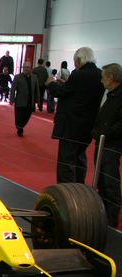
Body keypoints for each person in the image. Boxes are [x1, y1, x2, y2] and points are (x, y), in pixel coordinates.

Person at [47, 46, 104, 184]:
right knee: (80, 157)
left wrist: (51, 84)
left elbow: (61, 92)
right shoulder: (100, 74)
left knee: (66, 160)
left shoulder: (78, 75)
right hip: (88, 124)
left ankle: (66, 190)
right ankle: (79, 187)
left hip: (71, 124)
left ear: (79, 60)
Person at [91, 63, 122, 227]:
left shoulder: (118, 96)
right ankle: (104, 213)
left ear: (111, 78)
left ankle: (112, 217)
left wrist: (105, 133)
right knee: (101, 179)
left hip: (111, 144)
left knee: (109, 181)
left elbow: (119, 125)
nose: (101, 81)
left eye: (103, 78)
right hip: (103, 142)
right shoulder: (111, 94)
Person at [9, 62, 40, 137]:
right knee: (19, 116)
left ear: (31, 68)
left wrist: (37, 100)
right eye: (25, 67)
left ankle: (20, 126)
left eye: (28, 67)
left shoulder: (34, 77)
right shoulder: (17, 77)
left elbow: (36, 89)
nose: (26, 69)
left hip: (30, 101)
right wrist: (11, 99)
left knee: (27, 116)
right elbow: (13, 89)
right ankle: (20, 129)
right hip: (20, 100)